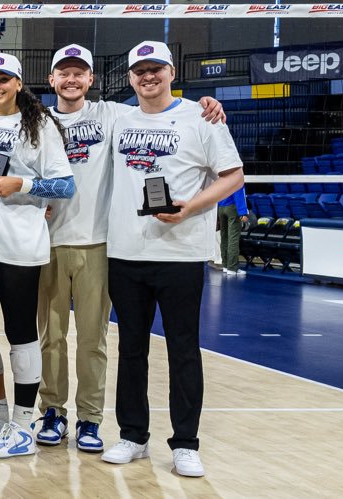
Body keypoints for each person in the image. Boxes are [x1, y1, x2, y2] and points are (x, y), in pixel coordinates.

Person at [36, 44, 227, 452]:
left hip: (101, 242)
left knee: (94, 340)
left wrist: (207, 104)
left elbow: (164, 110)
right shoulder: (34, 121)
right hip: (48, 243)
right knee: (51, 337)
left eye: (79, 73)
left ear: (92, 80)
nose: (71, 80)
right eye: (63, 73)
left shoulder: (115, 115)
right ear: (51, 79)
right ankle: (52, 411)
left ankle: (90, 418)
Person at [101, 41, 244, 479]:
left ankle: (185, 443)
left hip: (180, 253)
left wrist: (191, 207)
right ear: (130, 77)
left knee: (184, 349)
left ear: (171, 72)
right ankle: (133, 435)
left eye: (156, 69)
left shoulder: (202, 117)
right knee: (131, 350)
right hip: (125, 252)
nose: (148, 77)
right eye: (140, 70)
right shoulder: (117, 119)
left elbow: (233, 175)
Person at [0, 53, 75, 460]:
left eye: (3, 79)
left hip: (20, 246)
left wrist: (20, 183)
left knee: (21, 331)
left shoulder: (40, 125)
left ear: (19, 83)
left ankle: (24, 425)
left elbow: (66, 186)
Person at [217, 187, 248, 275]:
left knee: (224, 237)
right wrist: (243, 213)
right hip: (232, 207)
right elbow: (239, 194)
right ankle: (232, 268)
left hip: (221, 207)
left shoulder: (222, 176)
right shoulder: (237, 175)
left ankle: (225, 266)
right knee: (233, 238)